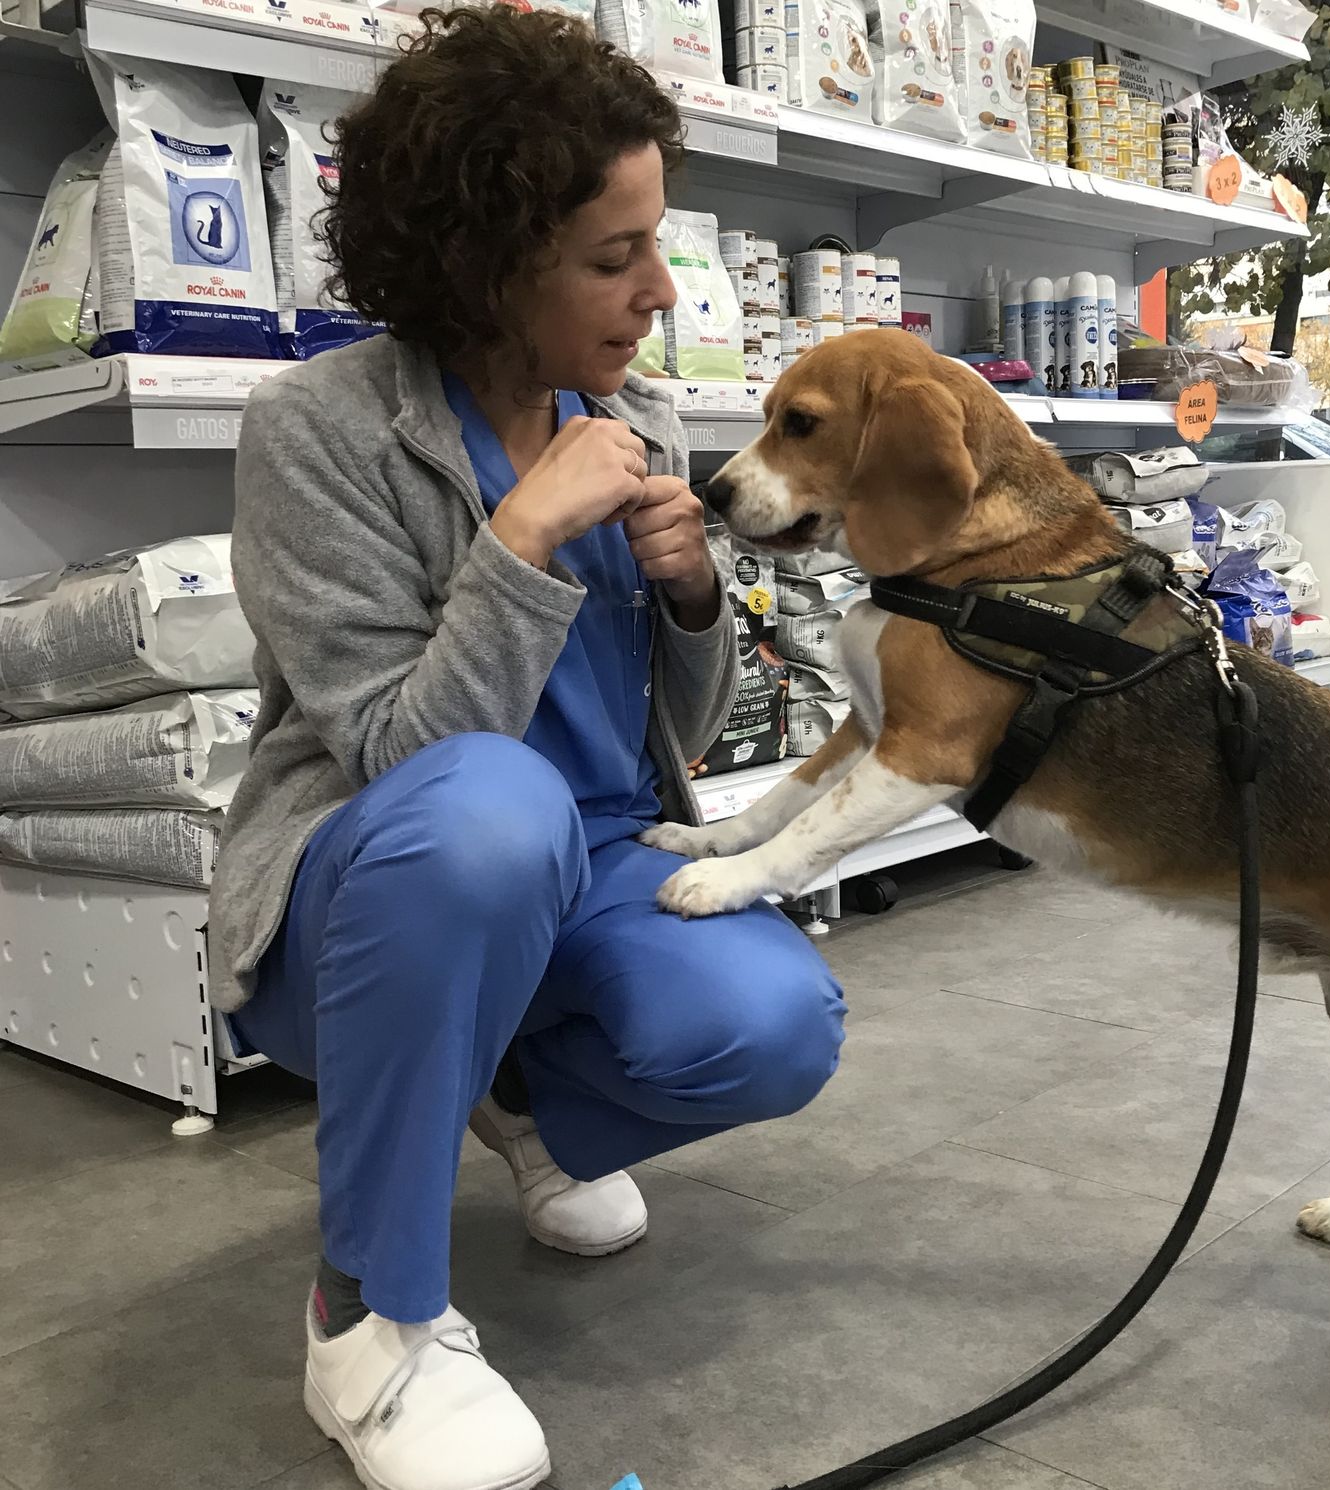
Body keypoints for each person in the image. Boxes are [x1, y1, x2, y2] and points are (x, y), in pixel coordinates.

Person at [208, 12, 847, 1489]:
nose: (658, 290)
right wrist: (520, 533)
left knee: (775, 1022)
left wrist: (692, 601)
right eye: (612, 255)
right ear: (490, 260)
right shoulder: (315, 430)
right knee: (492, 807)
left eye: (655, 244)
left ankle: (506, 1101)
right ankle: (367, 1316)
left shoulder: (641, 419)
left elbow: (665, 742)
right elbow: (391, 753)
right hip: (372, 889)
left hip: (592, 864)